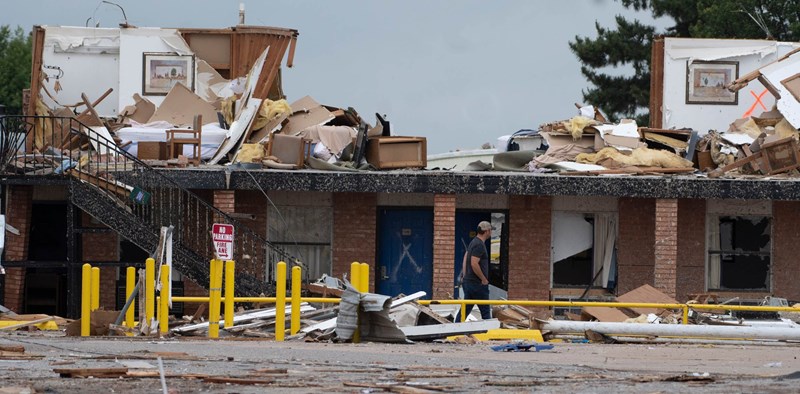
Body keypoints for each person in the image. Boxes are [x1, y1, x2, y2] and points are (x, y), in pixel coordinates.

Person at [459, 220, 492, 320]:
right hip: (478, 284)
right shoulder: (479, 245)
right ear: (487, 231)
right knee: (485, 312)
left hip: (469, 282)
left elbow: (466, 256)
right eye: (490, 230)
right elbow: (474, 263)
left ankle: (454, 330)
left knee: (464, 311)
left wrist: (465, 275)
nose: (491, 232)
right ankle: (489, 333)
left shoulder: (473, 242)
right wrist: (483, 279)